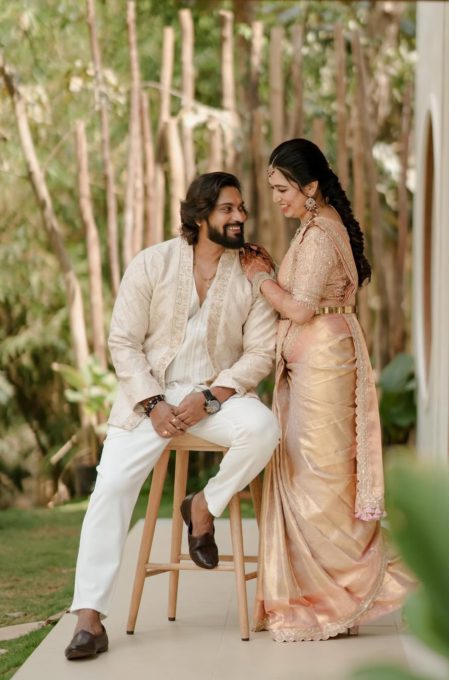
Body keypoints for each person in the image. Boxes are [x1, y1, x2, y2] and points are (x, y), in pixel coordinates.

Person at [65, 172, 280, 660]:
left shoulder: (251, 271)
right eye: (228, 209)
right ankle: (89, 619)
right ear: (201, 216)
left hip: (216, 397)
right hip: (150, 400)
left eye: (241, 208)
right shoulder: (153, 262)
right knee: (111, 488)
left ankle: (202, 507)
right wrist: (152, 403)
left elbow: (261, 352)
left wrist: (211, 397)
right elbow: (123, 342)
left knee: (264, 429)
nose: (240, 217)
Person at [240, 139, 411, 642]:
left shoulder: (319, 234)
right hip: (319, 360)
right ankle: (330, 595)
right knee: (316, 473)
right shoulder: (317, 229)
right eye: (273, 189)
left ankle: (336, 597)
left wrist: (261, 277)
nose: (277, 198)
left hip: (324, 366)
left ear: (310, 187)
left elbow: (299, 308)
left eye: (283, 189)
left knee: (319, 478)